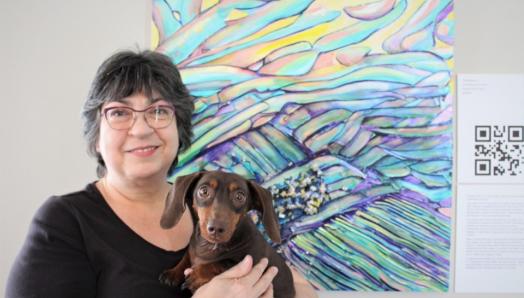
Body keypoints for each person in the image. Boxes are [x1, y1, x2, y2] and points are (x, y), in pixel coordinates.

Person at [6, 49, 317, 298]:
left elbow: (299, 288)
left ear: (178, 129)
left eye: (158, 111)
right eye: (119, 112)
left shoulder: (211, 207)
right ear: (96, 135)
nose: (141, 129)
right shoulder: (65, 222)